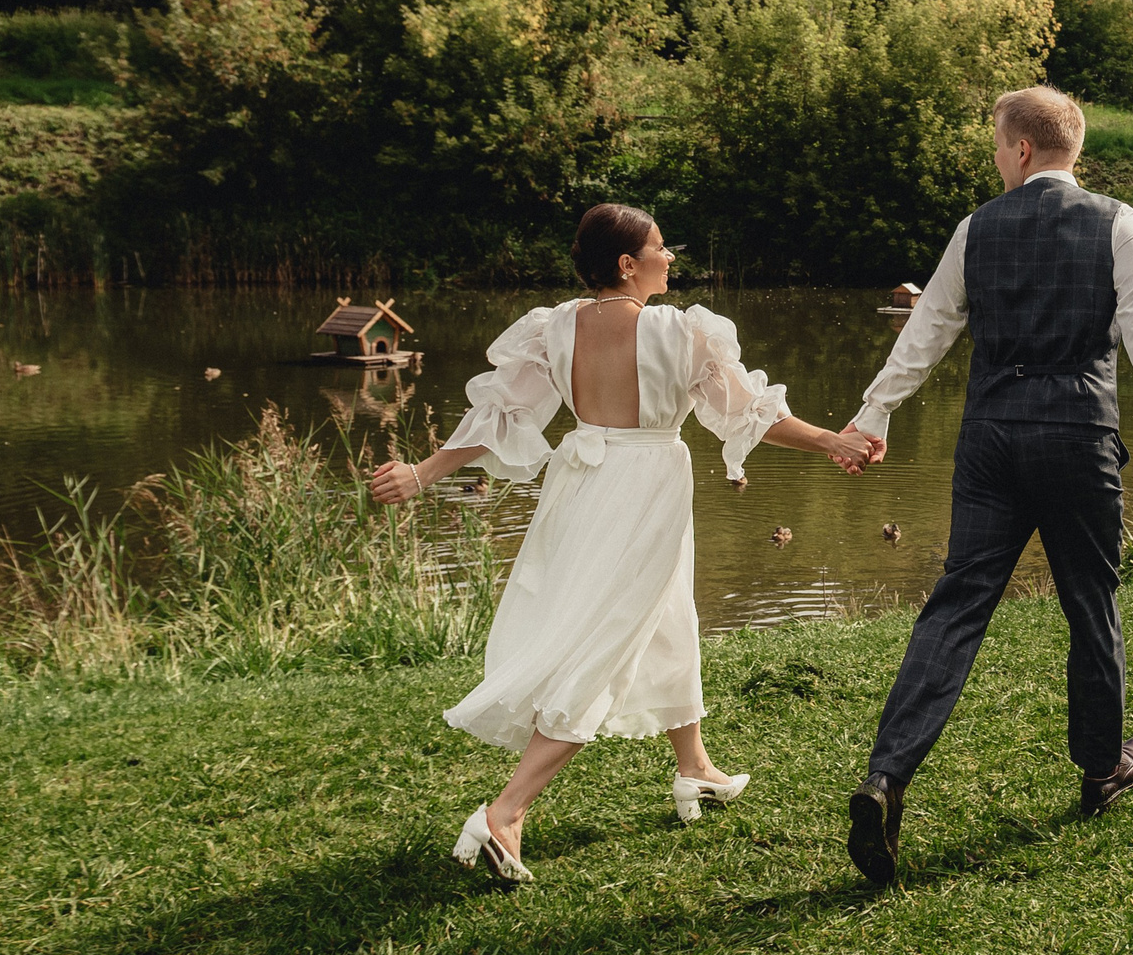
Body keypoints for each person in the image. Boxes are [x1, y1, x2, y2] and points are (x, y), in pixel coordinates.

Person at [368, 203, 875, 887]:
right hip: (644, 487)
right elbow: (751, 412)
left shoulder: (554, 328)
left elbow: (498, 418)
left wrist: (422, 473)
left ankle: (695, 766)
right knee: (608, 641)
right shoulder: (680, 331)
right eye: (661, 248)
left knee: (666, 618)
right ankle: (505, 812)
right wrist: (830, 441)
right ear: (628, 263)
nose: (672, 258)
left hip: (579, 486)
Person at [839, 85, 1133, 886]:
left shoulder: (976, 228)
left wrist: (876, 413)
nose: (996, 158)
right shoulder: (1117, 221)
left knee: (958, 603)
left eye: (999, 145)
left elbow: (926, 332)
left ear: (1023, 149)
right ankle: (1102, 768)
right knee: (1090, 602)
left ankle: (888, 776)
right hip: (1078, 434)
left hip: (992, 438)